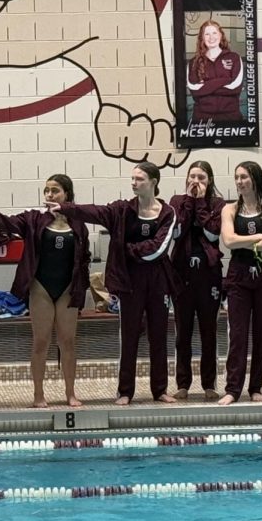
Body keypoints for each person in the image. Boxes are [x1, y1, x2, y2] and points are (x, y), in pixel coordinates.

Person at [55, 162, 178, 405]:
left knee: (159, 335)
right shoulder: (122, 210)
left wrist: (128, 249)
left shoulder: (167, 213)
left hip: (158, 281)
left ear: (153, 181)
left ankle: (160, 389)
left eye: (139, 179)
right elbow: (94, 211)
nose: (134, 183)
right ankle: (124, 391)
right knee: (129, 336)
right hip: (129, 281)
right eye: (132, 178)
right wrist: (67, 208)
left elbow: (159, 248)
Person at [0, 174, 90, 409]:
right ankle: (38, 393)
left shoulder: (78, 224)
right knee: (41, 342)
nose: (49, 195)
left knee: (68, 342)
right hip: (41, 287)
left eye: (55, 191)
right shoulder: (34, 218)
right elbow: (10, 223)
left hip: (67, 288)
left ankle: (70, 392)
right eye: (46, 190)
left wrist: (81, 286)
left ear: (66, 194)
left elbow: (84, 257)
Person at [218, 161, 262, 405]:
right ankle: (233, 389)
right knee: (238, 334)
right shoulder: (230, 210)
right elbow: (228, 241)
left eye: (244, 177)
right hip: (239, 276)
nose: (239, 182)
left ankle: (256, 387)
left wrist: (243, 240)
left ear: (255, 179)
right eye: (237, 177)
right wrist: (257, 238)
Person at [168, 161, 224, 400]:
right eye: (192, 177)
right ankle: (183, 383)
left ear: (209, 180)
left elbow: (212, 233)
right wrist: (190, 203)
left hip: (208, 273)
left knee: (208, 330)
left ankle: (209, 383)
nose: (195, 182)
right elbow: (177, 232)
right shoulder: (176, 202)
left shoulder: (218, 204)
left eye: (201, 177)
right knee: (183, 332)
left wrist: (200, 203)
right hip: (182, 273)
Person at [187, 19, 244, 124]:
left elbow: (235, 87)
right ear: (202, 38)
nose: (211, 37)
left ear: (221, 35)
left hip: (231, 117)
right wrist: (225, 80)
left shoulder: (234, 58)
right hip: (202, 119)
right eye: (207, 34)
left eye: (214, 33)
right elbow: (195, 89)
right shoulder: (193, 63)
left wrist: (206, 86)